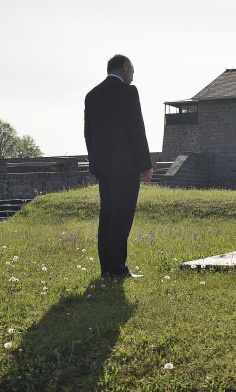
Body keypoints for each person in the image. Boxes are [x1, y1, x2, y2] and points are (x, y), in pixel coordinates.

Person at [84, 54, 152, 279]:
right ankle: (118, 268)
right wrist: (146, 164)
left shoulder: (92, 95)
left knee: (108, 216)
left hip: (103, 167)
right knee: (121, 218)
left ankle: (106, 268)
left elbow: (89, 134)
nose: (132, 77)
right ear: (125, 68)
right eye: (132, 71)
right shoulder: (128, 92)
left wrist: (96, 160)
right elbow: (136, 129)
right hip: (125, 167)